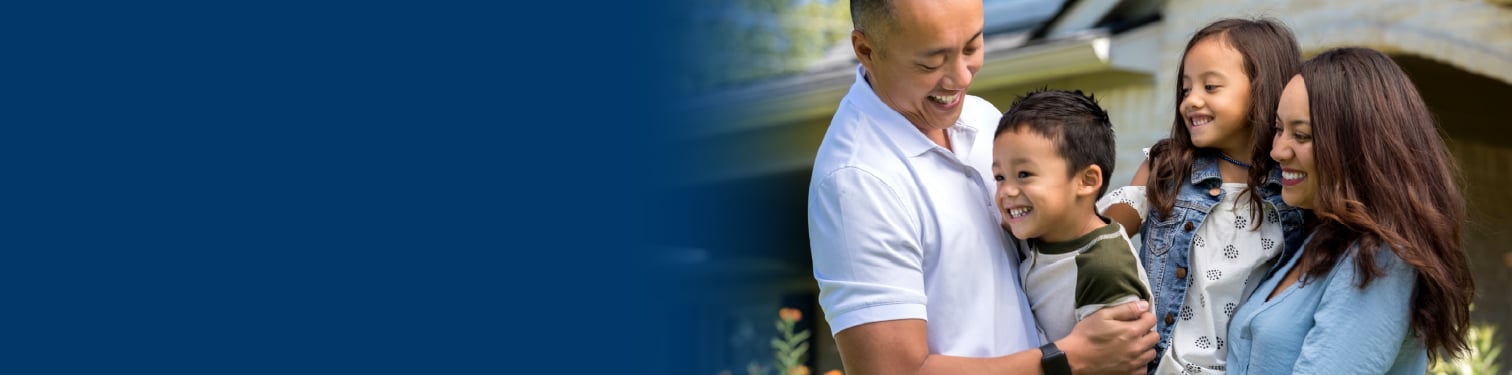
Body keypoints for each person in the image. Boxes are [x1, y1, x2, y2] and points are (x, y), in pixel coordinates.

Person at [807, 0, 1158, 373]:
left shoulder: (982, 118)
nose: (961, 77)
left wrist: (1138, 196)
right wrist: (1070, 358)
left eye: (973, 46)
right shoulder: (857, 182)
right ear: (866, 50)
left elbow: (1058, 231)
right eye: (931, 62)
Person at [1224, 47, 1476, 374]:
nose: (1277, 150)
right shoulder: (1313, 239)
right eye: (1279, 128)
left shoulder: (1381, 260)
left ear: (1357, 147)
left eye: (1300, 135)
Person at [1094, 18, 1308, 374]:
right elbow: (1101, 236)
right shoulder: (1167, 168)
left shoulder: (1293, 189)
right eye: (1186, 89)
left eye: (1210, 86)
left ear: (1263, 89)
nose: (1190, 101)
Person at [993, 89, 1153, 343]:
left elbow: (1118, 361)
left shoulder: (1104, 268)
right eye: (1000, 177)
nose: (1006, 191)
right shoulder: (1039, 230)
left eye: (1024, 174)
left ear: (1086, 181)